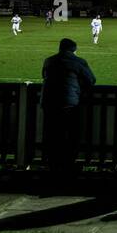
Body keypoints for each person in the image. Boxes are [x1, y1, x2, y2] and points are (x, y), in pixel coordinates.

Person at [40, 38, 96, 175]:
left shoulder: (49, 60)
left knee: (52, 133)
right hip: (69, 103)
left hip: (48, 102)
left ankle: (52, 165)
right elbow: (91, 80)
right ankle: (68, 165)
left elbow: (43, 75)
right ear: (74, 50)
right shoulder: (79, 61)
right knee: (70, 134)